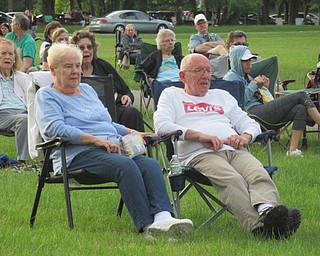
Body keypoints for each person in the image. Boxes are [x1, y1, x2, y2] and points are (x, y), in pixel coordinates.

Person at [34, 43, 193, 238]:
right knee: (125, 165)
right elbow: (54, 129)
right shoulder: (47, 95)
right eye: (68, 66)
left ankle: (163, 218)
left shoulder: (87, 90)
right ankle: (146, 227)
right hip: (77, 154)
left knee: (150, 165)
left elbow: (107, 124)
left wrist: (133, 132)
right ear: (52, 69)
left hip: (111, 149)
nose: (75, 71)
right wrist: (95, 141)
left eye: (77, 65)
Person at [154, 53, 301, 239]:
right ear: (183, 76)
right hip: (199, 154)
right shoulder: (172, 95)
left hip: (234, 149)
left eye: (208, 70)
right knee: (233, 179)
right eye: (198, 71)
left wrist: (245, 137)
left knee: (258, 173)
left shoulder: (221, 96)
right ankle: (259, 227)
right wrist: (199, 136)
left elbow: (249, 123)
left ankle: (268, 212)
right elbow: (162, 126)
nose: (206, 76)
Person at [224, 45, 320, 157]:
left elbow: (263, 98)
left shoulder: (247, 77)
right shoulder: (230, 78)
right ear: (236, 61)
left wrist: (264, 88)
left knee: (300, 108)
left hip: (262, 110)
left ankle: (292, 151)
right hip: (252, 115)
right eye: (245, 61)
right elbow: (239, 102)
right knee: (301, 95)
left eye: (250, 60)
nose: (249, 63)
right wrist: (254, 84)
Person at [70, 29, 144, 132]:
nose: (86, 50)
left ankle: (135, 146)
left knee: (132, 113)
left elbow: (126, 90)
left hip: (113, 109)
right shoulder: (71, 71)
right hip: (86, 113)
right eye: (81, 48)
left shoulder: (104, 66)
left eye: (89, 47)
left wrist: (127, 97)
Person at [136, 29, 183, 108]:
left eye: (172, 40)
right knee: (165, 86)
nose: (171, 43)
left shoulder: (178, 57)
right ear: (160, 43)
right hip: (161, 83)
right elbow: (140, 68)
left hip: (179, 82)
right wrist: (149, 78)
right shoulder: (155, 56)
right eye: (167, 40)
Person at [0, 38, 29, 163]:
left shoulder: (23, 78)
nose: (7, 57)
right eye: (3, 53)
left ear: (15, 57)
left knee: (43, 118)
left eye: (11, 54)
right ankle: (22, 161)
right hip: (3, 114)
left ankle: (46, 159)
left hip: (24, 111)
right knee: (25, 119)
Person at [188, 14, 227, 79]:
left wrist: (206, 43)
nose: (202, 25)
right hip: (203, 58)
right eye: (199, 24)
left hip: (216, 58)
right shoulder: (194, 37)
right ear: (196, 26)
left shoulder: (214, 35)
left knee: (223, 49)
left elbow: (223, 43)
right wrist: (216, 49)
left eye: (204, 22)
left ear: (207, 24)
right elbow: (198, 48)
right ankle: (230, 63)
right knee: (220, 48)